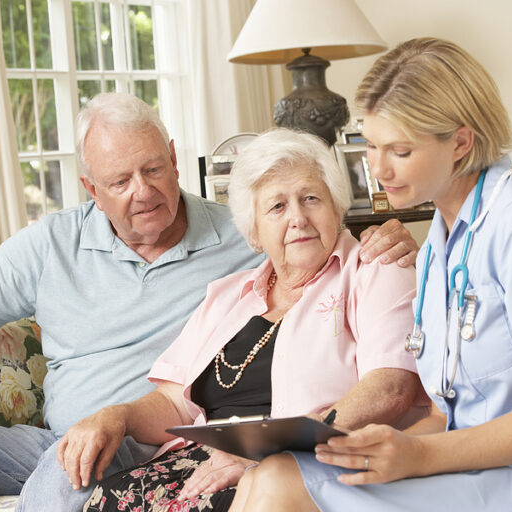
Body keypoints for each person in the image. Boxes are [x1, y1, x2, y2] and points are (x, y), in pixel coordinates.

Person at [0, 93, 419, 511]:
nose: (144, 191)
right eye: (120, 180)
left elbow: (383, 368)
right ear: (91, 189)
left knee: (74, 468)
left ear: (175, 159)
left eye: (154, 169)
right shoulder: (58, 246)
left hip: (142, 446)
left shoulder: (243, 236)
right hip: (72, 434)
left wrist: (393, 239)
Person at [228, 37, 512, 512]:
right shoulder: (437, 248)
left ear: (461, 143)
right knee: (270, 474)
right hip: (470, 468)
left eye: (400, 151)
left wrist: (420, 454)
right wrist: (378, 446)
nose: (377, 169)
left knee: (282, 487)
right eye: (371, 146)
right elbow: (443, 415)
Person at [77, 128, 429, 512]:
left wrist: (265, 449)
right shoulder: (229, 295)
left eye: (311, 199)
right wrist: (119, 415)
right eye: (277, 207)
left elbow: (390, 390)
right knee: (107, 498)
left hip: (308, 462)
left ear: (337, 207)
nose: (298, 218)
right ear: (255, 233)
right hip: (207, 460)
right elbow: (176, 403)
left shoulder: (376, 268)